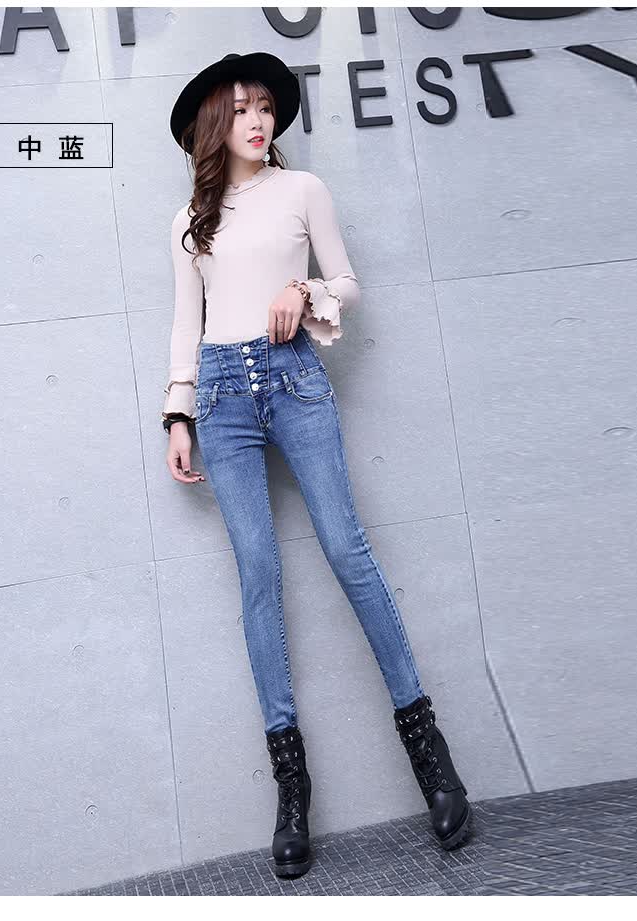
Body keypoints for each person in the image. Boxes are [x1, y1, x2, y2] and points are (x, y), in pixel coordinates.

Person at [163, 52, 472, 879]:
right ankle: (291, 788)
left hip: (294, 378)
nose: (257, 120)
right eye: (240, 109)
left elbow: (347, 281)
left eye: (265, 107)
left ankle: (431, 756)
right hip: (221, 396)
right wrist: (177, 412)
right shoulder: (190, 220)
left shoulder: (303, 190)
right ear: (214, 124)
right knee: (258, 573)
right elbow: (185, 322)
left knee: (346, 550)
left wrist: (303, 293)